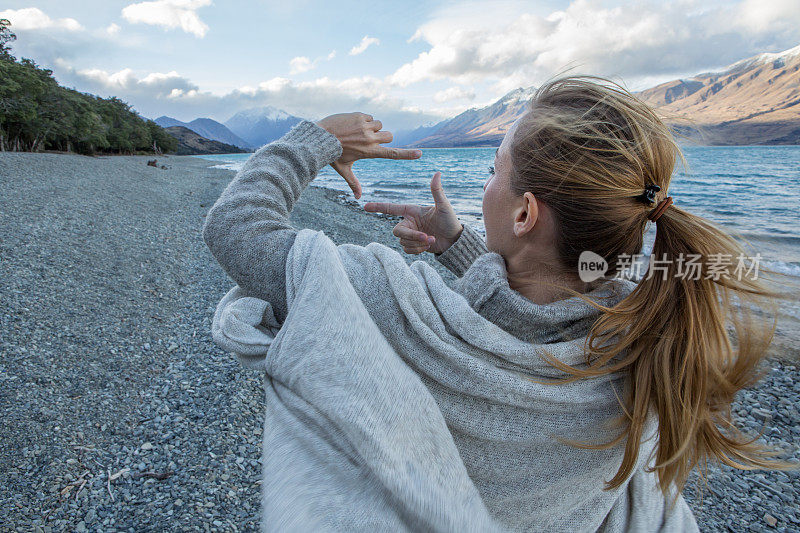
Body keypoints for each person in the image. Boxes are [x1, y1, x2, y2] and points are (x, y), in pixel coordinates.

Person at [202, 75, 796, 532]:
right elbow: (530, 321)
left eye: (493, 170)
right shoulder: (648, 348)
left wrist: (319, 138)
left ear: (524, 214)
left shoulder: (388, 303)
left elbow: (236, 228)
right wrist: (459, 247)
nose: (486, 183)